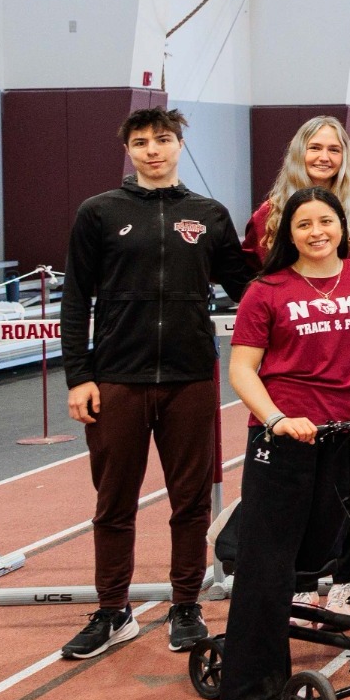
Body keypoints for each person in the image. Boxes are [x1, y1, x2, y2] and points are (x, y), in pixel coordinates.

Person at [59, 108, 253, 661]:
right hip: (117, 380)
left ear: (178, 144)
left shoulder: (208, 215)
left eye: (162, 139)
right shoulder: (98, 213)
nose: (152, 150)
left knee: (190, 502)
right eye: (141, 141)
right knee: (113, 501)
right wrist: (80, 377)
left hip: (191, 379)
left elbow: (247, 287)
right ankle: (112, 611)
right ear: (129, 148)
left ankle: (186, 606)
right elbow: (76, 300)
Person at [220, 187, 350, 700]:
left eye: (326, 221)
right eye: (304, 224)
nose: (317, 232)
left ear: (343, 228)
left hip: (347, 433)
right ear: (288, 233)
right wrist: (277, 419)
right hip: (285, 438)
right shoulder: (266, 290)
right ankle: (252, 687)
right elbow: (243, 371)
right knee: (268, 561)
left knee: (329, 546)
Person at [242, 116, 350, 273]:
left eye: (334, 150)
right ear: (299, 152)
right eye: (314, 148)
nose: (324, 158)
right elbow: (253, 278)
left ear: (344, 157)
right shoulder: (269, 214)